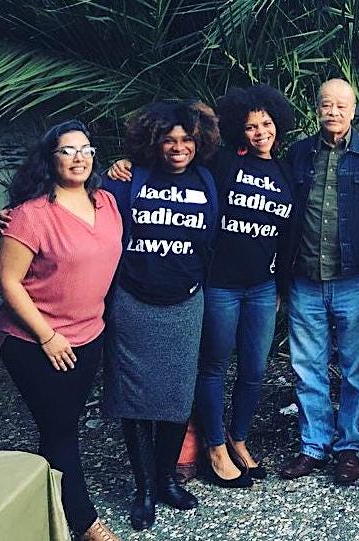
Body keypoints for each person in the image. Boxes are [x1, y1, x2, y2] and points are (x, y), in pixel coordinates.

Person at [107, 85, 297, 489]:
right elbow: (181, 141)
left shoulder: (284, 172)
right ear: (238, 131)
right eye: (250, 126)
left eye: (266, 124)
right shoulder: (222, 164)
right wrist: (124, 163)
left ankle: (238, 438)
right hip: (220, 286)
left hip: (262, 286)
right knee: (213, 366)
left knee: (255, 368)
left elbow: (288, 234)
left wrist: (281, 285)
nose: (260, 131)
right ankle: (213, 446)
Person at [0, 120, 123, 541]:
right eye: (67, 150)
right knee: (60, 430)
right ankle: (85, 523)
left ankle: (41, 503)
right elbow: (8, 281)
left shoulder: (106, 202)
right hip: (34, 342)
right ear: (50, 159)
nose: (78, 157)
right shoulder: (30, 215)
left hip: (89, 336)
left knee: (62, 426)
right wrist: (47, 337)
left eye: (85, 149)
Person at [100, 100, 220, 531]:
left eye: (186, 139)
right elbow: (80, 209)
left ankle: (167, 478)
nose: (177, 147)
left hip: (186, 302)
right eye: (168, 139)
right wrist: (17, 214)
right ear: (154, 141)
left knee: (175, 398)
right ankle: (144, 489)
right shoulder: (130, 178)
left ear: (199, 141)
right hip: (133, 302)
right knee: (134, 401)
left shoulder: (207, 180)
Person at [278, 78, 359, 486]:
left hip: (355, 280)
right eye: (327, 104)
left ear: (354, 110)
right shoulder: (298, 155)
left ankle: (349, 447)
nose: (334, 112)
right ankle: (313, 446)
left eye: (341, 106)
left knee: (354, 369)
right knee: (307, 367)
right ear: (317, 108)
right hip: (306, 278)